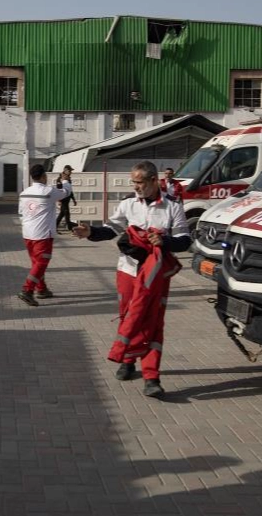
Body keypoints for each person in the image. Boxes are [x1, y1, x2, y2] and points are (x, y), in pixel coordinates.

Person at [73, 161, 190, 398]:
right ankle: (127, 361)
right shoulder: (128, 203)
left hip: (156, 274)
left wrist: (165, 242)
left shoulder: (173, 206)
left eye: (139, 182)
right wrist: (91, 232)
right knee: (128, 316)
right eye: (133, 182)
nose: (135, 186)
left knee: (153, 321)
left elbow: (185, 240)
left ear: (154, 181)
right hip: (128, 270)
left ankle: (151, 377)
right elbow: (112, 228)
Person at [17, 164, 72, 307]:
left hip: (27, 233)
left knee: (37, 263)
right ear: (43, 176)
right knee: (41, 263)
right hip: (42, 234)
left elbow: (21, 213)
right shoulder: (48, 191)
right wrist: (65, 180)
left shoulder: (24, 193)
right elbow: (66, 192)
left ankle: (41, 289)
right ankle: (27, 290)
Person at [55, 165, 77, 232]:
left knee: (61, 215)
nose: (71, 172)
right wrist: (59, 200)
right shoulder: (60, 179)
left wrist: (73, 199)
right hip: (63, 199)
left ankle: (54, 228)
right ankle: (71, 229)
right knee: (67, 215)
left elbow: (70, 190)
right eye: (70, 171)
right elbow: (59, 189)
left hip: (67, 199)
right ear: (66, 170)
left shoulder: (68, 179)